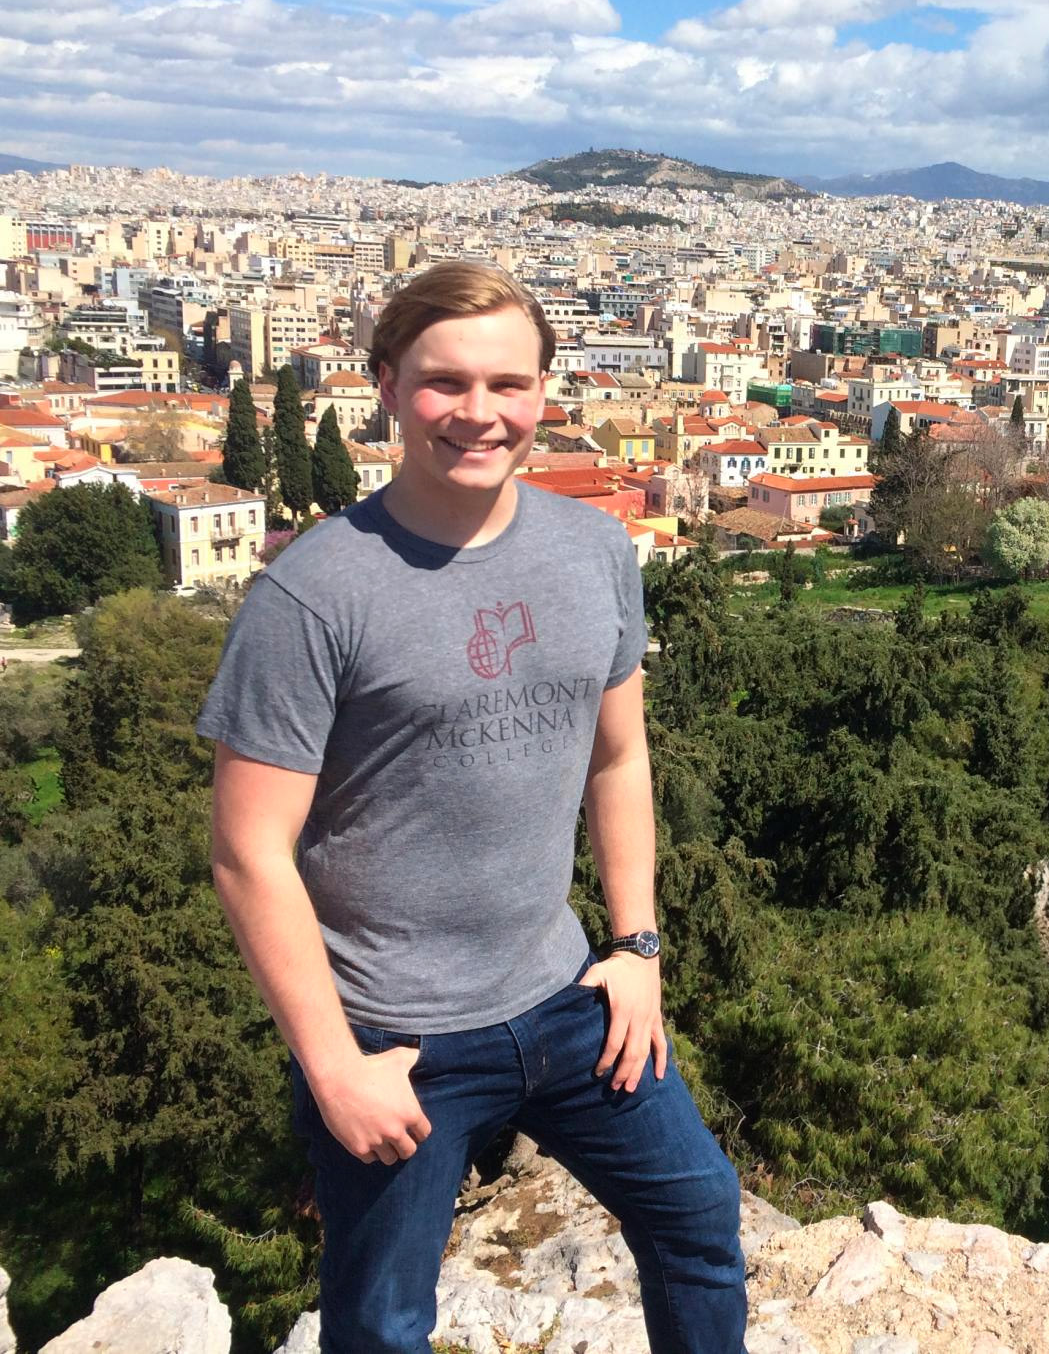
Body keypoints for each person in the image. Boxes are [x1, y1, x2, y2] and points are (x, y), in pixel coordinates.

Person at [198, 261, 744, 1353]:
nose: (479, 414)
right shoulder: (314, 592)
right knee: (384, 1320)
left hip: (565, 996)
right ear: (388, 386)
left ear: (545, 388)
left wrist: (637, 947)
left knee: (697, 1221)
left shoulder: (592, 548)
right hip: (393, 1034)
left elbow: (618, 755)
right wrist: (331, 1065)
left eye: (509, 383)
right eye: (446, 384)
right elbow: (248, 851)